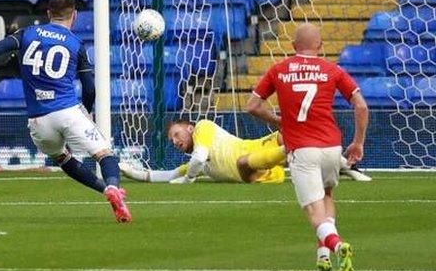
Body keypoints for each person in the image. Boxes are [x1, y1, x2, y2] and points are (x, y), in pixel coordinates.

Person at [0, 0, 131, 223]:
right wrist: (86, 112)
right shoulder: (76, 44)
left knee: (63, 158)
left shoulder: (27, 34)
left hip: (38, 119)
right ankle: (113, 187)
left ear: (48, 14)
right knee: (104, 154)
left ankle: (103, 191)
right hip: (68, 110)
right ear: (74, 16)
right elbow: (89, 88)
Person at [246, 23, 369, 271]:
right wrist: (357, 142)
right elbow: (361, 105)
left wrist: (278, 121)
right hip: (331, 148)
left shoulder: (279, 70)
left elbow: (252, 106)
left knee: (314, 211)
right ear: (320, 46)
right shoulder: (332, 69)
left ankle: (337, 246)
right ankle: (323, 254)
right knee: (326, 195)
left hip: (302, 149)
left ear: (293, 46)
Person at [120, 120, 371, 184]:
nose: (175, 141)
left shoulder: (203, 129)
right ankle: (336, 166)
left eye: (176, 134)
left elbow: (194, 162)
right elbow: (165, 175)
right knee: (294, 149)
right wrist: (127, 171)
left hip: (259, 149)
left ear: (189, 127)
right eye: (172, 139)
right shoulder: (202, 165)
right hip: (260, 175)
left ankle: (347, 166)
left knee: (290, 135)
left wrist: (188, 179)